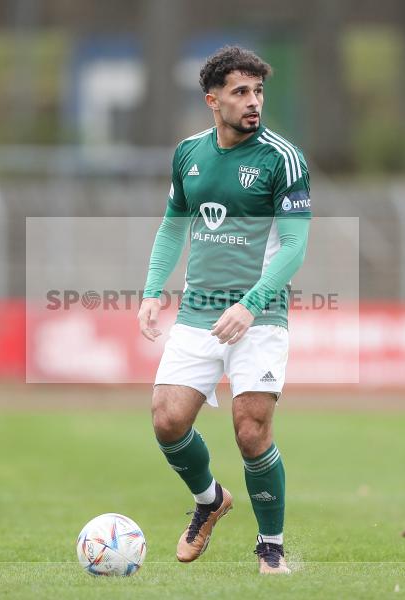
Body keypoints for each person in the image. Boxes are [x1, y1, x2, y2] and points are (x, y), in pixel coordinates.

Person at [137, 45, 311, 575]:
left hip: (260, 314)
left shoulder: (282, 159)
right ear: (213, 100)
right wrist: (152, 290)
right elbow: (173, 226)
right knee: (167, 420)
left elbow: (295, 248)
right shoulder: (188, 154)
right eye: (240, 92)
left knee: (251, 430)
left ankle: (271, 548)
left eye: (258, 91)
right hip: (198, 313)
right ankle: (210, 500)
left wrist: (250, 305)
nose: (253, 101)